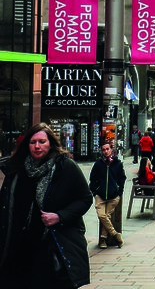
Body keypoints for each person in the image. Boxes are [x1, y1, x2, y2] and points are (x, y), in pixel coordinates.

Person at [0, 123, 93, 288]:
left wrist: (60, 216)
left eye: (42, 142)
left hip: (52, 244)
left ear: (51, 143)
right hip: (20, 245)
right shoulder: (16, 170)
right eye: (33, 142)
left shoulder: (65, 167)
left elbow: (85, 198)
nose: (37, 146)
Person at [89, 141, 126, 249]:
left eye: (107, 149)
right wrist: (95, 191)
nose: (105, 152)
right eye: (103, 150)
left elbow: (122, 178)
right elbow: (93, 178)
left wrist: (119, 191)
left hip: (113, 196)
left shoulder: (117, 164)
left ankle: (103, 240)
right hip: (100, 196)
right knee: (102, 215)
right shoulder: (98, 164)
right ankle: (115, 234)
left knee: (107, 217)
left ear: (111, 150)